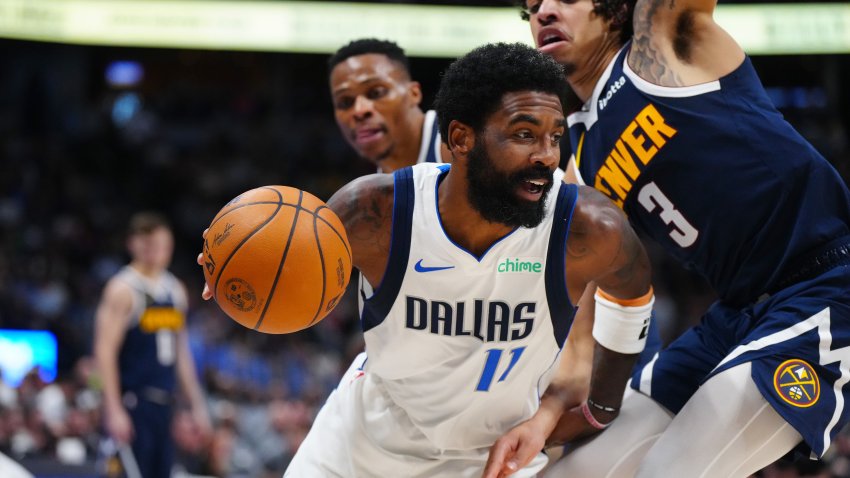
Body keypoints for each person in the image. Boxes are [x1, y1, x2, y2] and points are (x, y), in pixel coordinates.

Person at [199, 42, 653, 476]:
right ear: (460, 138)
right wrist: (230, 271)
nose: (547, 157)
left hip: (492, 456)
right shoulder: (374, 214)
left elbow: (633, 292)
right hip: (360, 447)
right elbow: (285, 256)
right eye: (523, 135)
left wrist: (601, 408)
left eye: (555, 137)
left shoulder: (587, 227)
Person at [484, 1, 850, 477]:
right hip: (734, 316)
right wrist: (552, 409)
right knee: (571, 473)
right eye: (532, 7)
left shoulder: (664, 40)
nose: (544, 12)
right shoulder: (580, 157)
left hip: (826, 285)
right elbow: (587, 304)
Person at [94, 212, 211, 478]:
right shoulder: (122, 288)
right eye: (149, 245)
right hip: (133, 402)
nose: (156, 252)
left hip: (165, 406)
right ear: (133, 244)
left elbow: (182, 353)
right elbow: (104, 350)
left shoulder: (174, 290)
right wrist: (112, 409)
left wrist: (197, 405)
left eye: (161, 246)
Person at [328, 38, 450, 174]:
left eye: (376, 93)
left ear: (414, 93)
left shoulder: (458, 143)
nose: (360, 110)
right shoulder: (376, 188)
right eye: (345, 102)